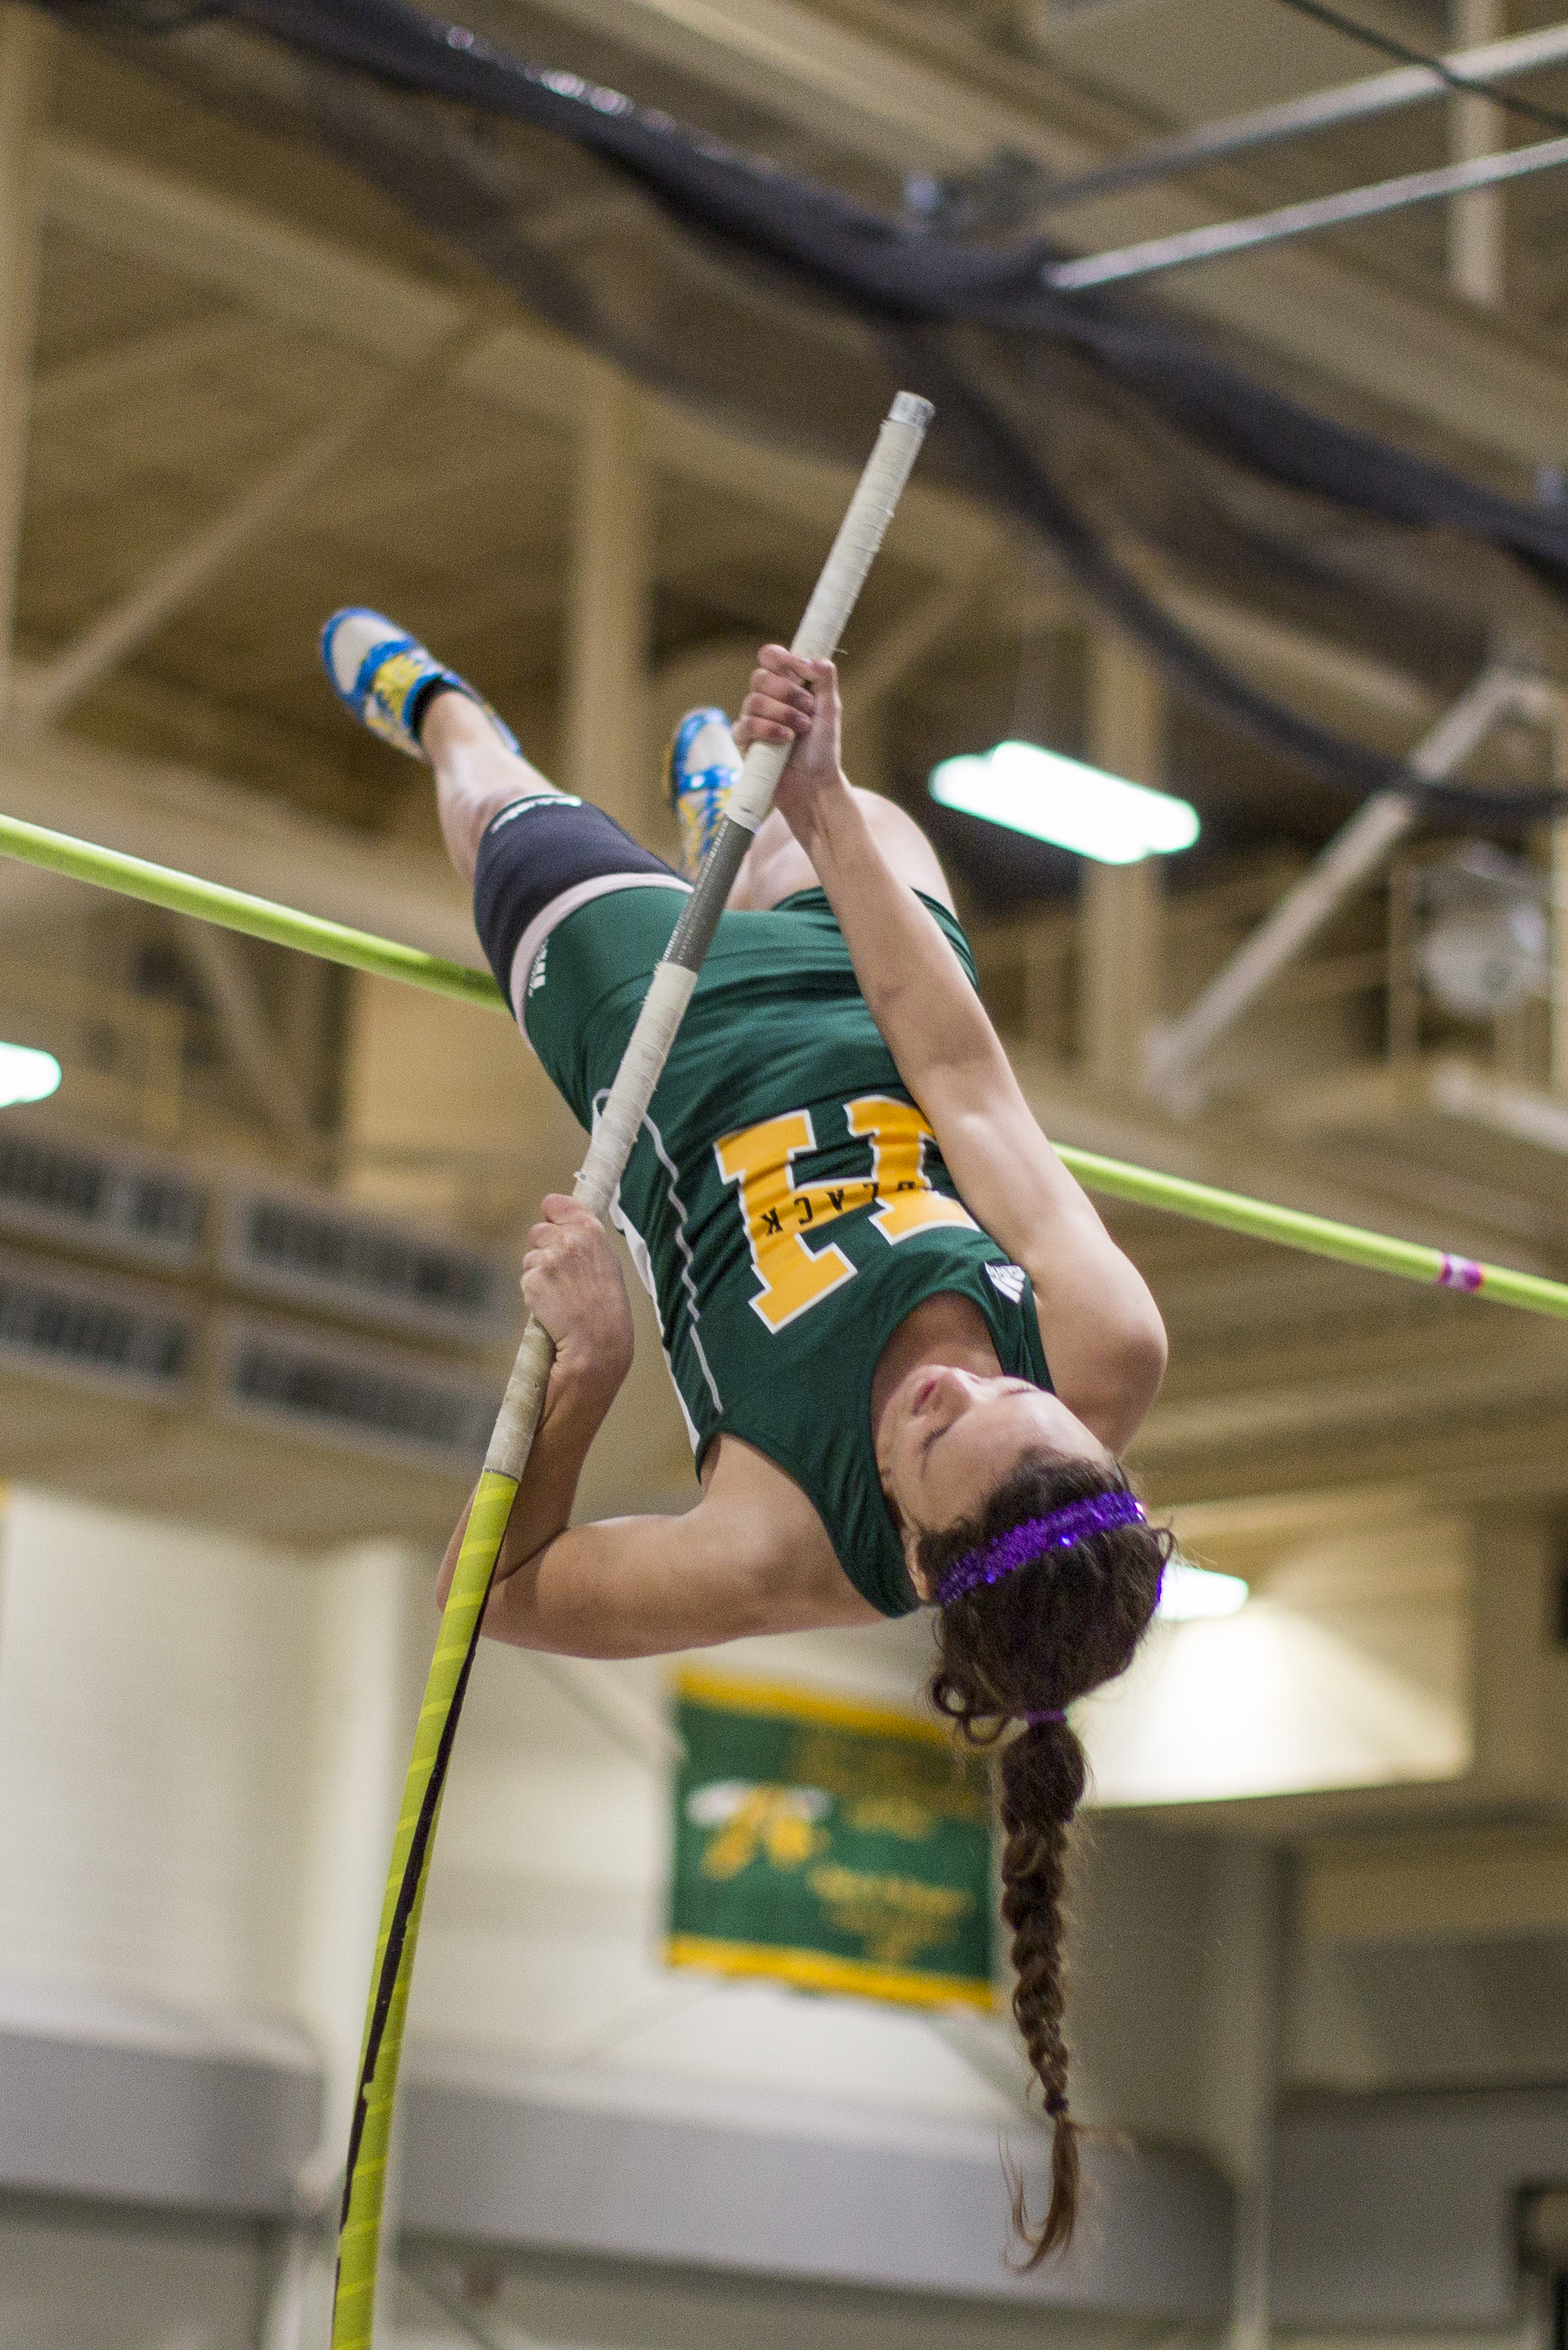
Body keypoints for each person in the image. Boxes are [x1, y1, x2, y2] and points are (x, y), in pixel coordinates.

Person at [318, 603, 1173, 2264]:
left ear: (915, 1549)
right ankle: (753, 802)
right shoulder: (1100, 1344)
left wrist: (589, 1368)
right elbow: (964, 1075)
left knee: (488, 797)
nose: (965, 1380)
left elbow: (488, 1594)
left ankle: (438, 703)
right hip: (872, 999)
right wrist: (835, 799)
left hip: (672, 1058)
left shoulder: (775, 1547)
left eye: (939, 1429)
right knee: (856, 834)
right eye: (1009, 1393)